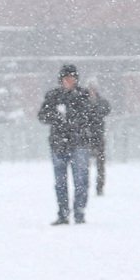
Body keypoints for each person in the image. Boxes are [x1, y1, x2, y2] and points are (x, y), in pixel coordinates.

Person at [38, 65, 108, 225]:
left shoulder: (84, 95)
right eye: (66, 78)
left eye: (72, 78)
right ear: (61, 80)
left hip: (79, 144)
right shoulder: (53, 96)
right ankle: (63, 213)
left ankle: (79, 212)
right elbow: (42, 116)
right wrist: (57, 117)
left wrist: (77, 120)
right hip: (59, 145)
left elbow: (96, 114)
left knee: (81, 180)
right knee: (60, 182)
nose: (69, 81)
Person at [85, 86, 111, 197]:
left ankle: (99, 187)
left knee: (100, 164)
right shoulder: (82, 101)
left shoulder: (102, 102)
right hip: (85, 137)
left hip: (98, 137)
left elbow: (105, 110)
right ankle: (83, 186)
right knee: (83, 165)